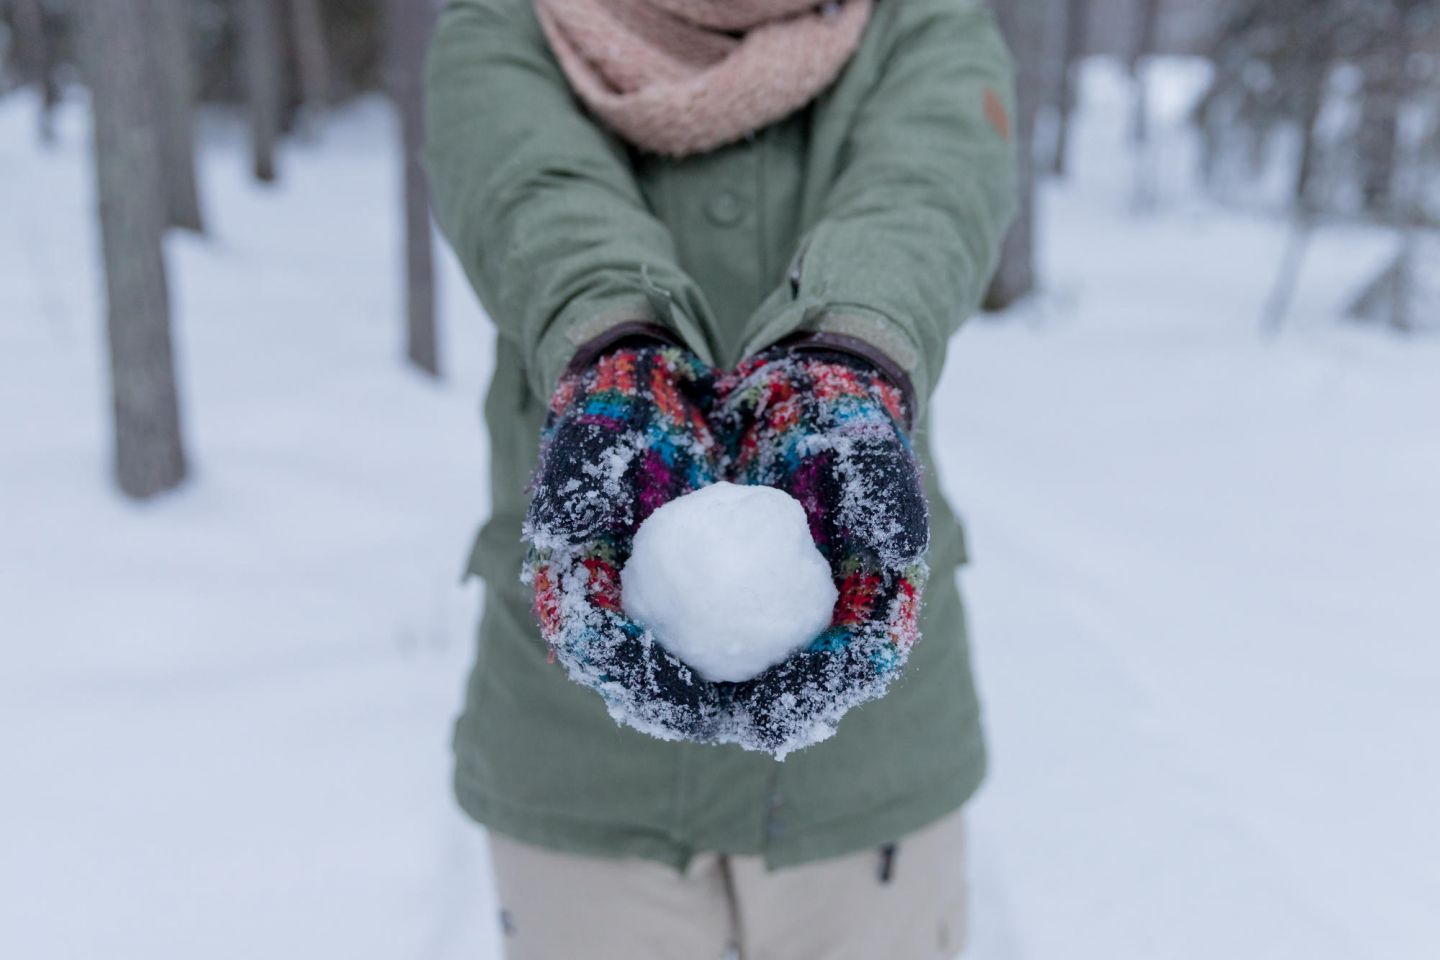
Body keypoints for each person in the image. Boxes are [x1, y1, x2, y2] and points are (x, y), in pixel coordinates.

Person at [425, 0, 1016, 956]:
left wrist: (852, 353)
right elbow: (527, 185)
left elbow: (929, 187)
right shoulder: (507, 20)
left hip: (866, 765)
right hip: (575, 746)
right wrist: (618, 346)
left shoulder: (921, 18)